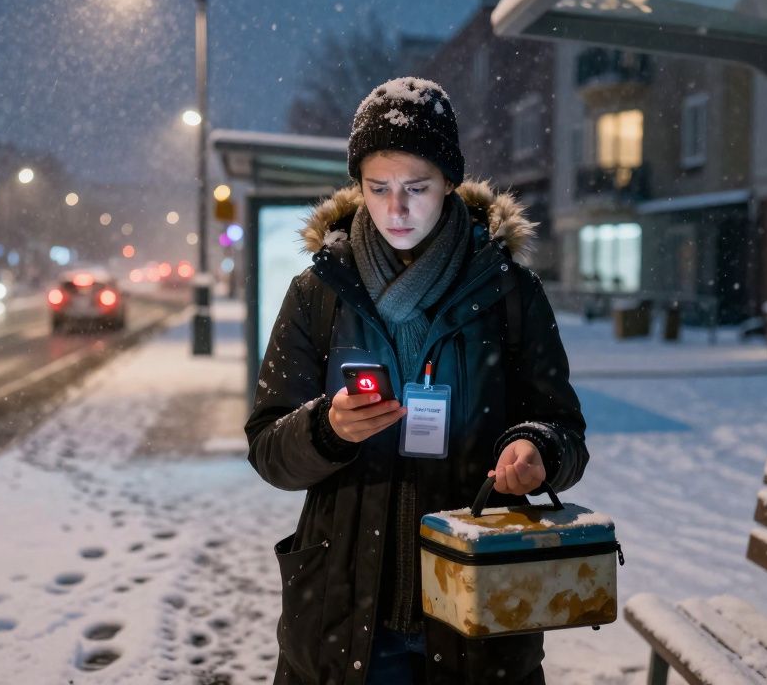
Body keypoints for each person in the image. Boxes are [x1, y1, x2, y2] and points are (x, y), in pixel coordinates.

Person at [245, 77, 587, 684]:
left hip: (475, 611)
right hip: (343, 612)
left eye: (416, 188)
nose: (396, 208)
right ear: (359, 187)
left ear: (450, 182)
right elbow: (269, 450)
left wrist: (537, 449)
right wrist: (326, 429)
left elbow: (563, 429)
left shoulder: (511, 292)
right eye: (377, 189)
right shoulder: (319, 292)